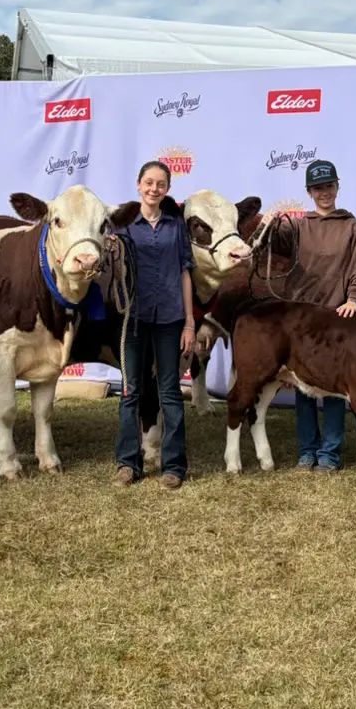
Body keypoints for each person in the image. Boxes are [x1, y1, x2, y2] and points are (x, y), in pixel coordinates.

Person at [278, 159, 356, 472]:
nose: (324, 193)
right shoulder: (297, 227)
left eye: (329, 186)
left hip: (337, 319)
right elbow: (271, 243)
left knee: (334, 389)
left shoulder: (353, 227)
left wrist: (354, 299)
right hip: (302, 321)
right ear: (308, 191)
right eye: (318, 188)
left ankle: (330, 454)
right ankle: (307, 451)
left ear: (337, 187)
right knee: (304, 389)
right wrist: (268, 222)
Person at [113, 161, 196, 490]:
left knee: (170, 393)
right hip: (132, 319)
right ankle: (127, 463)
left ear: (167, 189)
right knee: (131, 391)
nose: (154, 189)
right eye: (149, 182)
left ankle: (174, 466)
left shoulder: (177, 226)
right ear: (138, 185)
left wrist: (190, 322)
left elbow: (185, 272)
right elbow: (110, 268)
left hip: (170, 318)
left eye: (161, 184)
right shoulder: (123, 226)